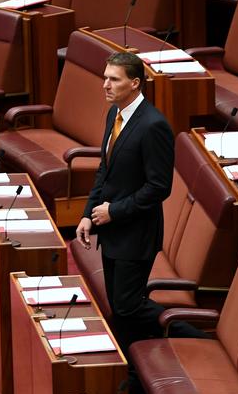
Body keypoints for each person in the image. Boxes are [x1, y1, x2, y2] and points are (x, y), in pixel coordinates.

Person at [76, 52, 204, 356]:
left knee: (128, 305)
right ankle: (132, 368)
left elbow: (159, 188)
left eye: (113, 79)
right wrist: (86, 215)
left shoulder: (153, 125)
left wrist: (113, 211)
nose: (105, 84)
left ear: (135, 83)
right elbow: (105, 171)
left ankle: (196, 338)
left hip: (136, 232)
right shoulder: (114, 114)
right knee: (121, 309)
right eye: (105, 77)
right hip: (111, 229)